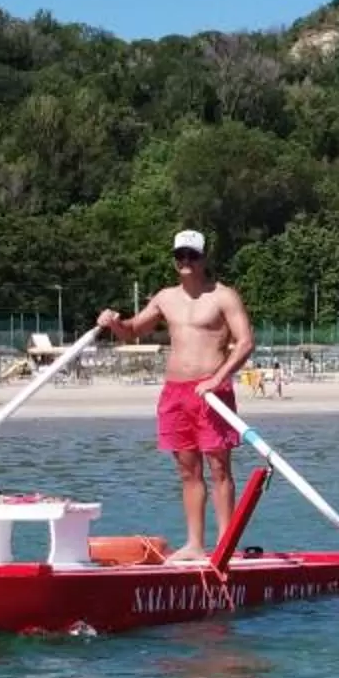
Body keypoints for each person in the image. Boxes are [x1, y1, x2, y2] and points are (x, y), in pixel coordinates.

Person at [97, 229, 256, 563]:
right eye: (180, 256)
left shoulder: (223, 296)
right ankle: (195, 544)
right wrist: (113, 322)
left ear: (204, 259)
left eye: (192, 255)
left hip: (212, 392)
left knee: (219, 469)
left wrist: (218, 378)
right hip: (175, 393)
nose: (185, 261)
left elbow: (245, 343)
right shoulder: (165, 297)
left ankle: (225, 544)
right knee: (187, 471)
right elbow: (133, 332)